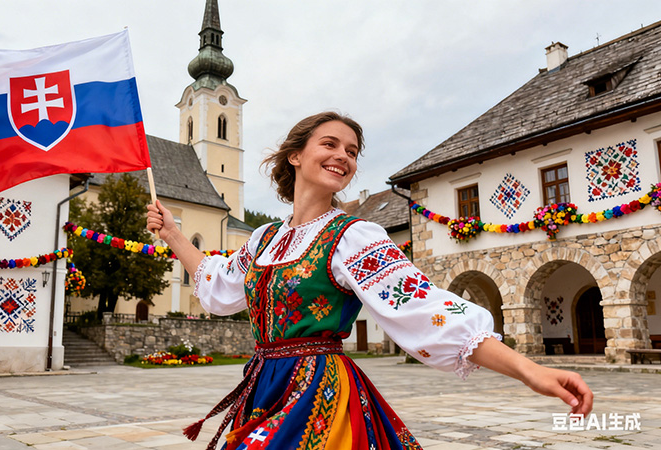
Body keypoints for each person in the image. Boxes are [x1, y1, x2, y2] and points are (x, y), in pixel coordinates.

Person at [146, 112, 593, 450]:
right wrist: (172, 233)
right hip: (263, 383)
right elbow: (219, 287)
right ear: (296, 155)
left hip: (317, 390)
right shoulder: (264, 239)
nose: (343, 155)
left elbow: (428, 310)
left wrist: (531, 372)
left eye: (352, 151)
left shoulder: (354, 236)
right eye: (330, 144)